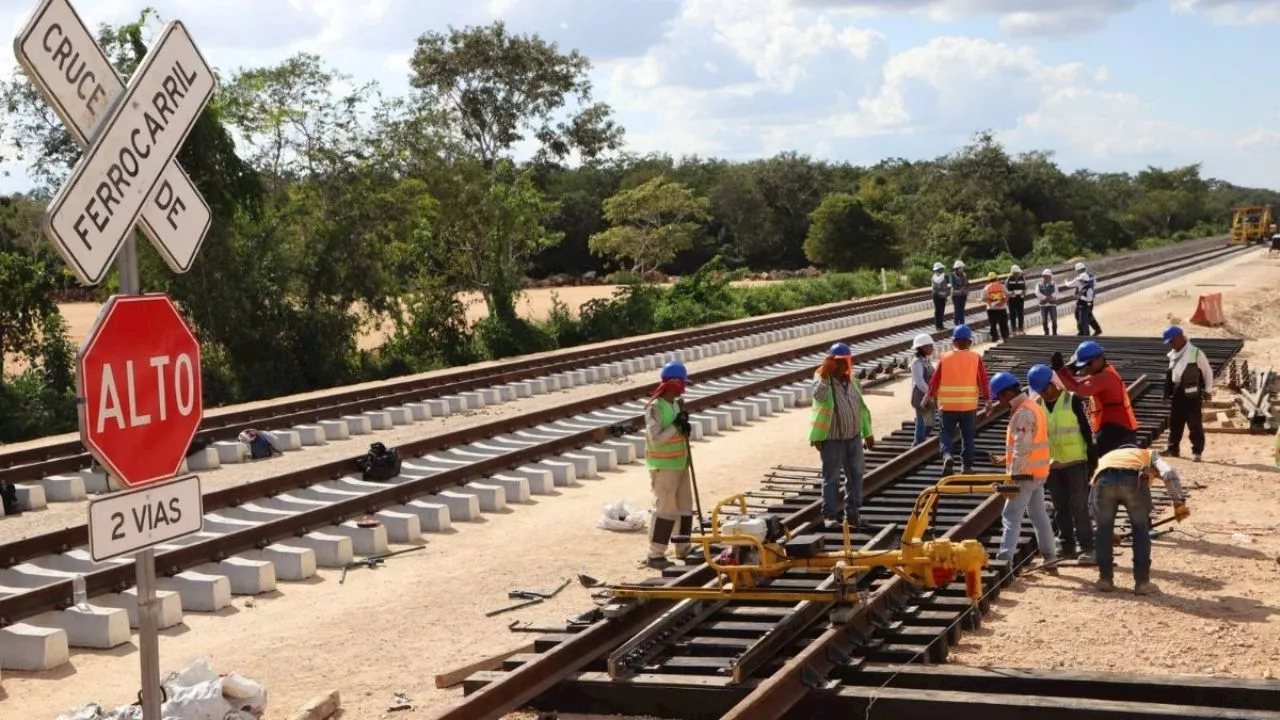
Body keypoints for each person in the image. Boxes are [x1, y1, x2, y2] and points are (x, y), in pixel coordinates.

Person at [1091, 445, 1190, 594]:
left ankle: (1105, 580)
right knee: (1140, 530)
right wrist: (1179, 502)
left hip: (1103, 482)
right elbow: (1168, 473)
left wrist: (1108, 532)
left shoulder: (1108, 457)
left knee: (1103, 531)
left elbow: (1092, 498)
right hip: (1133, 481)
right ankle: (1142, 583)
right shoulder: (1148, 454)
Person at [988, 371, 1059, 574]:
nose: (1000, 403)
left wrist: (1012, 478)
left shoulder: (1023, 413)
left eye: (1000, 398)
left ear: (1007, 393)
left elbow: (1022, 448)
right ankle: (1050, 558)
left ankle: (1004, 560)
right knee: (1038, 515)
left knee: (1010, 515)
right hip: (1037, 473)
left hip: (1025, 476)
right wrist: (1005, 460)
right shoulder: (1031, 406)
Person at [1027, 364, 1096, 565]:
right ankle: (1067, 546)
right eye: (1039, 390)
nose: (1043, 393)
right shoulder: (1037, 405)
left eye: (1044, 389)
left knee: (1079, 505)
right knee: (1060, 506)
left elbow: (1088, 431)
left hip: (1075, 461)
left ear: (1053, 384)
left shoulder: (1072, 400)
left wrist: (1093, 462)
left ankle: (1087, 547)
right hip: (1052, 464)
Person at [810, 343, 875, 531]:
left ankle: (853, 515)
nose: (843, 366)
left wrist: (868, 433)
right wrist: (824, 374)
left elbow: (861, 409)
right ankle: (829, 515)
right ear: (830, 363)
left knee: (856, 476)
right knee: (831, 479)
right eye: (838, 362)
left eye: (845, 362)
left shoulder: (853, 380)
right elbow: (818, 396)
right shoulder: (822, 379)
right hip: (832, 439)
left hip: (853, 438)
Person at [644, 361, 695, 569]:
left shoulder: (676, 403)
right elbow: (656, 438)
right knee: (665, 508)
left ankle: (682, 546)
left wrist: (684, 427)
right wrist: (676, 426)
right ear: (674, 383)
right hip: (663, 465)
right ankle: (655, 554)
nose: (684, 388)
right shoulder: (654, 408)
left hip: (680, 462)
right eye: (682, 383)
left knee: (684, 506)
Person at [1052, 341, 1139, 456]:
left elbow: (1077, 391)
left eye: (1087, 364)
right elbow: (1077, 384)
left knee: (1092, 458)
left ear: (1099, 359)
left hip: (1118, 432)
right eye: (1082, 365)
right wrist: (1066, 370)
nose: (1085, 368)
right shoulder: (1103, 373)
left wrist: (1060, 371)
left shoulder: (1105, 377)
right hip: (1114, 430)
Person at [926, 325, 991, 477]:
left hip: (947, 406)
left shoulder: (945, 357)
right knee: (968, 437)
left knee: (946, 434)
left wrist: (930, 395)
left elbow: (934, 380)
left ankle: (947, 455)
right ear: (970, 342)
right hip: (968, 407)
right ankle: (966, 467)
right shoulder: (975, 358)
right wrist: (988, 400)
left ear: (954, 342)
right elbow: (983, 380)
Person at [1163, 326, 1213, 461]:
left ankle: (1197, 452)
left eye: (1171, 341)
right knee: (1175, 422)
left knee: (1194, 424)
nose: (1170, 344)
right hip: (1177, 394)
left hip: (1192, 395)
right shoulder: (1173, 354)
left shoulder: (1195, 353)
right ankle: (1173, 449)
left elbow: (1208, 372)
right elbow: (1172, 375)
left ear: (1180, 337)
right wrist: (1168, 393)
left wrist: (1208, 391)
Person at [910, 333, 936, 445]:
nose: (932, 348)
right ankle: (917, 443)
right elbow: (919, 382)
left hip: (928, 396)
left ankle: (921, 442)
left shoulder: (925, 360)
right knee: (922, 422)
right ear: (922, 347)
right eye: (929, 346)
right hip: (920, 396)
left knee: (929, 423)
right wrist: (931, 393)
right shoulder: (916, 363)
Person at [1068, 262, 1102, 337]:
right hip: (1089, 299)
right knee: (1086, 315)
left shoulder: (1081, 277)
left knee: (1083, 316)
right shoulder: (1091, 276)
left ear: (1079, 270)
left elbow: (1070, 285)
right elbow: (1095, 284)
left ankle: (1084, 333)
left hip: (1085, 300)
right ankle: (1095, 330)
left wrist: (1081, 294)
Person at [982, 271, 1010, 342]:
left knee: (993, 324)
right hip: (1002, 308)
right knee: (1003, 323)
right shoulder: (1001, 286)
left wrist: (990, 303)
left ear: (988, 279)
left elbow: (983, 298)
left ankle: (994, 337)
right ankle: (1005, 337)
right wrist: (1004, 302)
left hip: (991, 309)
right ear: (996, 278)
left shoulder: (987, 288)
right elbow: (1007, 295)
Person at [1035, 268, 1058, 336]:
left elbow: (1056, 292)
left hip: (1052, 304)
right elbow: (1037, 293)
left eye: (1049, 276)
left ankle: (1054, 332)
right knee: (1044, 320)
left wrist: (1050, 297)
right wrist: (1045, 298)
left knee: (1054, 319)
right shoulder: (1038, 284)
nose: (1048, 278)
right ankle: (1046, 332)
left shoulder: (1054, 283)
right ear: (1044, 277)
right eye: (1047, 276)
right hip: (1043, 305)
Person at [1006, 265, 1027, 335]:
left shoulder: (1022, 278)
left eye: (1018, 272)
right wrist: (1010, 293)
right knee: (1012, 314)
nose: (1017, 274)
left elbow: (1025, 288)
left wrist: (1024, 293)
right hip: (1012, 299)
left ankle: (1021, 329)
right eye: (1016, 272)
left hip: (1020, 299)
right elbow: (1006, 290)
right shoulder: (1009, 279)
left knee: (1021, 314)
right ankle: (1014, 329)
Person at [930, 262, 950, 331]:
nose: (942, 270)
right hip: (937, 296)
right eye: (941, 269)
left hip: (942, 296)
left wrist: (946, 296)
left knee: (942, 311)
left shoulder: (943, 276)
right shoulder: (934, 276)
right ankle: (937, 326)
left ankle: (941, 326)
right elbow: (938, 281)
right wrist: (944, 275)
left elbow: (946, 285)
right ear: (938, 270)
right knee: (938, 311)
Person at [950, 260, 969, 327]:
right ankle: (956, 323)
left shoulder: (964, 275)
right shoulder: (953, 275)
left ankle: (962, 323)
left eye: (962, 268)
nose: (962, 269)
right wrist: (961, 289)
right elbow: (953, 285)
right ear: (957, 268)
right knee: (957, 310)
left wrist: (966, 289)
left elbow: (967, 284)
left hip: (963, 295)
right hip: (956, 295)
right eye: (961, 268)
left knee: (962, 310)